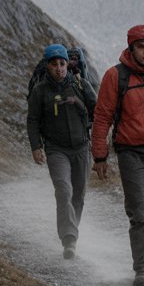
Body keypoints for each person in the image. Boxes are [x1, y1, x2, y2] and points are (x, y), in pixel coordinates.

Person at [92, 24, 144, 286]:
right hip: (131, 153)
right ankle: (143, 268)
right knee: (141, 214)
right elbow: (103, 116)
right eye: (140, 47)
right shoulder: (115, 76)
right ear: (131, 48)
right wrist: (100, 156)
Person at [27, 43, 98, 259]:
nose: (59, 68)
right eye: (54, 64)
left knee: (79, 194)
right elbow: (33, 120)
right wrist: (36, 147)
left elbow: (98, 111)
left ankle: (71, 230)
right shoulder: (40, 91)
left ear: (68, 64)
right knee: (63, 190)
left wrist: (100, 141)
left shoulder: (80, 84)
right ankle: (69, 239)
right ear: (47, 66)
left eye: (62, 63)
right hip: (56, 150)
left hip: (81, 147)